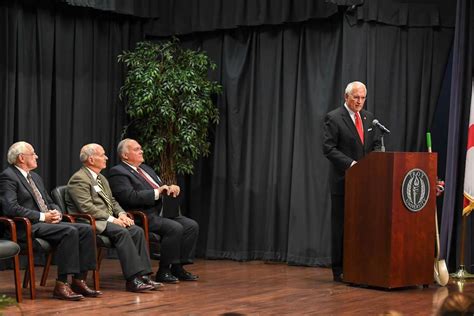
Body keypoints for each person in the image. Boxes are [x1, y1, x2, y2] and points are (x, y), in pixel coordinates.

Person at [0, 141, 101, 300]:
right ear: (21, 158)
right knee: (70, 230)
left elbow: (48, 201)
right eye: (33, 153)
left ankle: (79, 280)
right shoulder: (8, 176)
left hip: (45, 223)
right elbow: (11, 208)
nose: (36, 156)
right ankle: (61, 285)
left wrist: (56, 212)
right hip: (26, 227)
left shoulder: (35, 177)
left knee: (87, 229)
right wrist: (42, 216)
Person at [65, 143, 162, 292]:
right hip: (90, 221)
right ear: (91, 160)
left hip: (106, 219)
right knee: (122, 232)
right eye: (102, 155)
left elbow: (112, 201)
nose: (106, 157)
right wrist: (113, 219)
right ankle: (132, 280)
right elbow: (86, 208)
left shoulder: (101, 178)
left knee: (136, 230)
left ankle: (144, 276)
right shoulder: (79, 179)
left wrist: (122, 214)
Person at [108, 138, 199, 283]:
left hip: (162, 212)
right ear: (125, 155)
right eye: (137, 149)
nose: (141, 151)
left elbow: (160, 187)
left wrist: (170, 188)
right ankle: (164, 271)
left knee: (191, 225)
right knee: (174, 228)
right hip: (142, 215)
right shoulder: (118, 172)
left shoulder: (146, 169)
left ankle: (177, 267)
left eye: (140, 148)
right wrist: (157, 192)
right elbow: (129, 197)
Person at [322, 81, 381, 282]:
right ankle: (339, 269)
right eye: (356, 97)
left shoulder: (369, 119)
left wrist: (375, 161)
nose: (359, 101)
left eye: (363, 97)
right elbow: (329, 148)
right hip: (343, 181)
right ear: (346, 96)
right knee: (342, 227)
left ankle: (359, 265)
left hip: (366, 183)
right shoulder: (334, 118)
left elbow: (374, 146)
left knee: (362, 225)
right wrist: (352, 164)